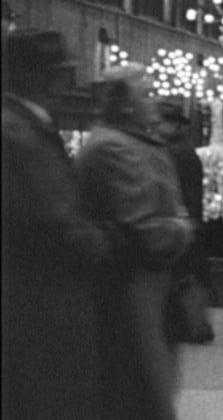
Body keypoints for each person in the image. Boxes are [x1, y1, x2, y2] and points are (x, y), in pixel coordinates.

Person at [2, 29, 114, 420]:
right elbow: (56, 221)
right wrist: (106, 242)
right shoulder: (23, 136)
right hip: (44, 307)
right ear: (51, 77)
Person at [76, 64, 195, 420]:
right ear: (124, 104)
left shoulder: (129, 143)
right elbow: (147, 233)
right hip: (131, 291)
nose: (154, 100)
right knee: (140, 392)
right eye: (146, 93)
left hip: (149, 288)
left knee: (149, 391)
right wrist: (181, 229)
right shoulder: (114, 148)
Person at [154, 100, 215, 344]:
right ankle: (192, 325)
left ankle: (192, 325)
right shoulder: (181, 150)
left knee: (183, 279)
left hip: (181, 221)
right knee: (187, 279)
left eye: (160, 122)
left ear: (173, 125)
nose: (156, 127)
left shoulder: (177, 153)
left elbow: (186, 192)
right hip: (185, 221)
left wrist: (187, 220)